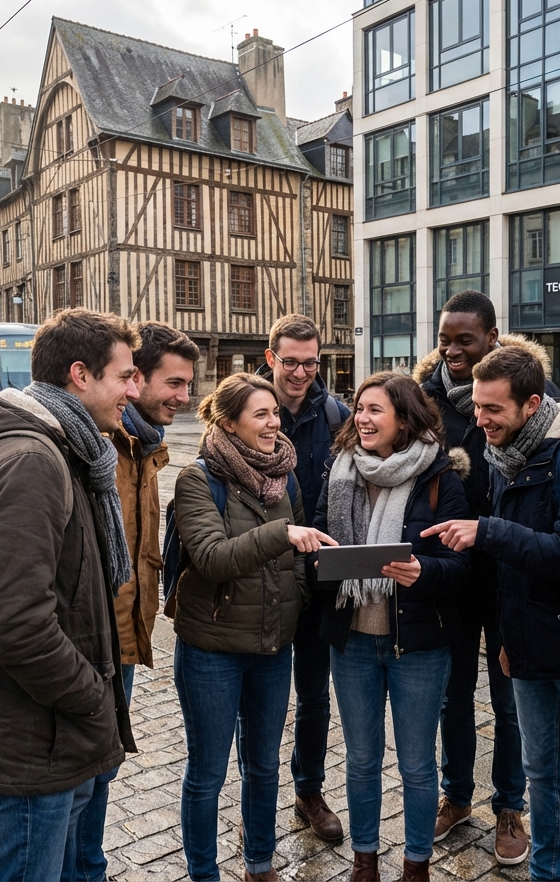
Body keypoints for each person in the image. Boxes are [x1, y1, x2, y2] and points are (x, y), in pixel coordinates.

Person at [0, 308, 141, 882]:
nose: (134, 389)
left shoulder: (59, 446)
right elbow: (15, 623)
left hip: (42, 737)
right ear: (81, 375)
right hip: (30, 742)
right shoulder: (32, 460)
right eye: (125, 376)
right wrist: (90, 695)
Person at [425, 345, 560, 882]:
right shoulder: (502, 456)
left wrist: (487, 531)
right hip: (529, 646)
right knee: (543, 779)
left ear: (532, 404)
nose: (478, 420)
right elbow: (510, 575)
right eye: (476, 407)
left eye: (492, 409)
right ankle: (546, 874)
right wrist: (508, 638)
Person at [171, 372, 336, 882]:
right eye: (260, 414)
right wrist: (281, 532)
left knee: (263, 767)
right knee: (207, 774)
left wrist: (298, 601)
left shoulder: (286, 474)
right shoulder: (199, 478)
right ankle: (203, 872)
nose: (273, 423)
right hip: (212, 649)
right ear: (228, 421)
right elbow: (213, 558)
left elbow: (301, 560)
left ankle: (259, 865)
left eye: (274, 413)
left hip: (271, 647)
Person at [313, 371, 471, 882]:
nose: (362, 418)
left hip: (419, 646)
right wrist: (321, 561)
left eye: (375, 409)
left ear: (404, 418)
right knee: (360, 760)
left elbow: (463, 569)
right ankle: (364, 860)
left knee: (417, 765)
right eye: (359, 408)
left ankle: (416, 864)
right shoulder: (339, 471)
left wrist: (425, 572)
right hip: (352, 641)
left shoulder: (440, 478)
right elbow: (315, 548)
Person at [413, 290, 546, 863]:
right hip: (455, 572)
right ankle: (457, 795)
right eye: (445, 339)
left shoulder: (522, 394)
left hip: (512, 572)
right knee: (454, 693)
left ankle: (510, 806)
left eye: (464, 339)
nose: (452, 349)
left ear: (493, 338)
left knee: (509, 697)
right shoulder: (425, 400)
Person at [255, 313, 350, 842]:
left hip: (316, 582)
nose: (299, 373)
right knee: (263, 701)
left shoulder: (335, 413)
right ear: (271, 358)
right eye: (290, 362)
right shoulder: (245, 407)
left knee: (314, 696)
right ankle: (256, 801)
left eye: (310, 363)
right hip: (262, 579)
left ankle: (308, 790)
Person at [112, 322, 200, 704]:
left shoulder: (144, 443)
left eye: (188, 385)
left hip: (125, 633)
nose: (185, 397)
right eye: (174, 383)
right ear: (137, 377)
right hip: (98, 642)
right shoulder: (106, 444)